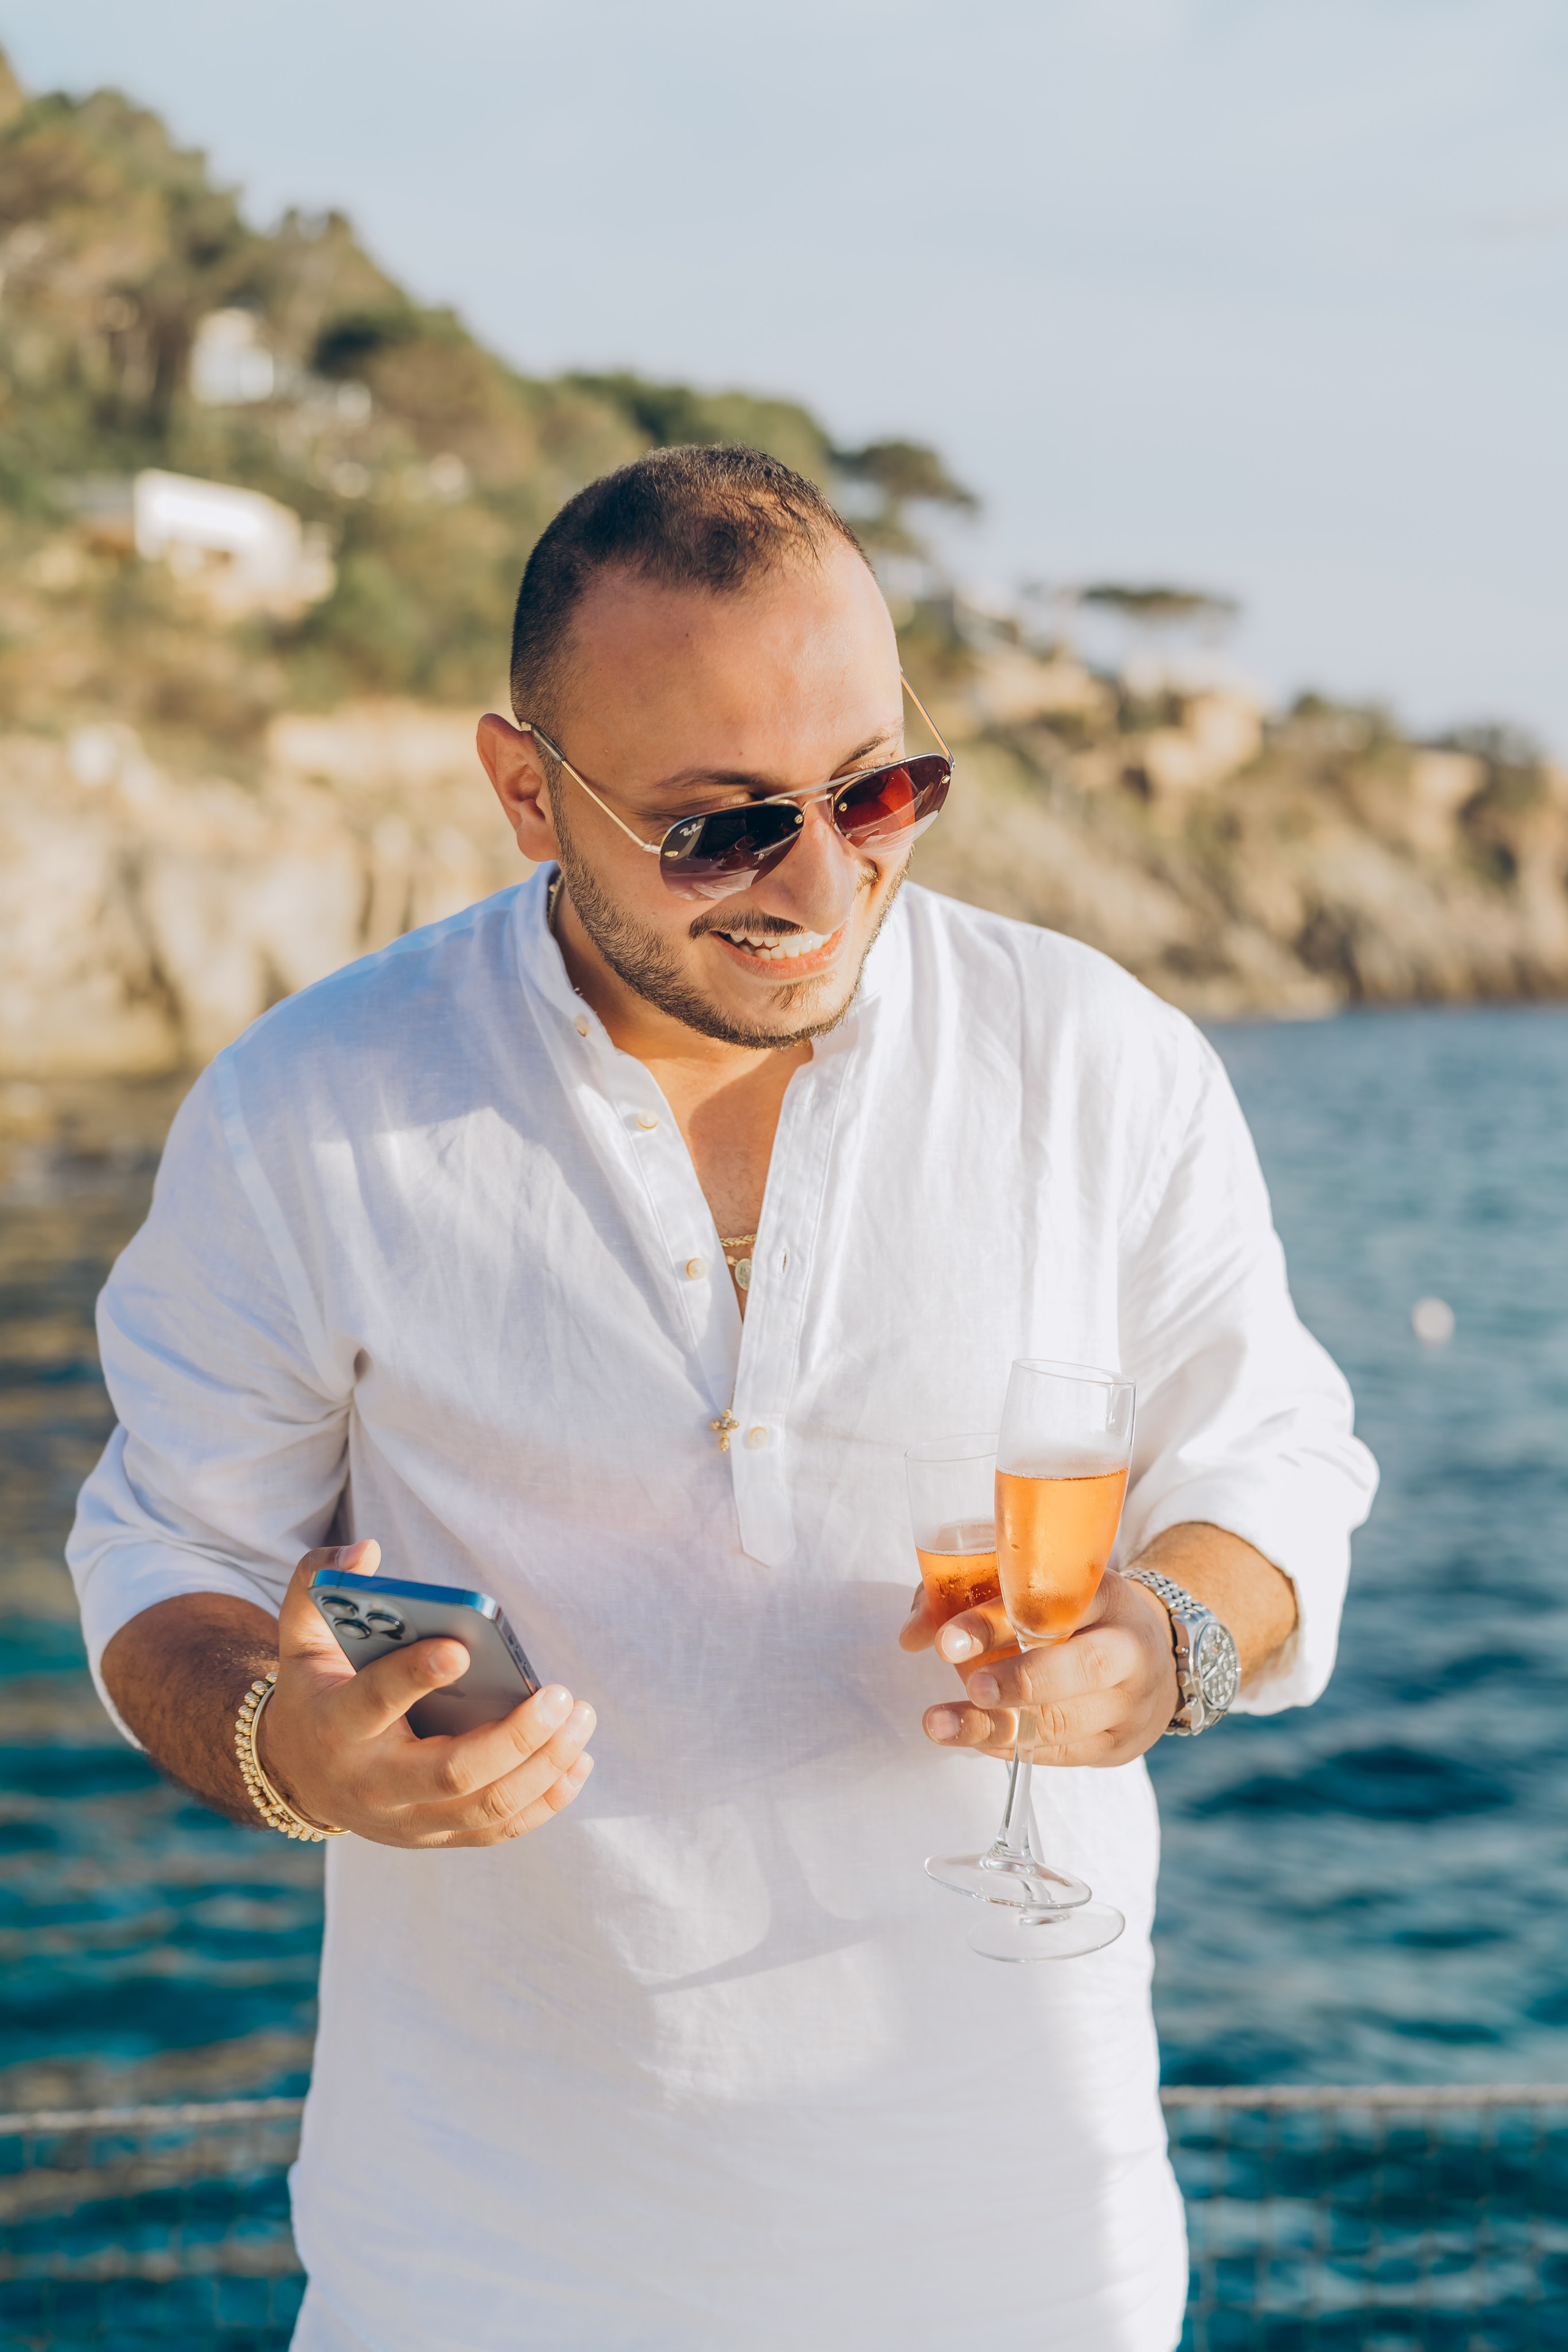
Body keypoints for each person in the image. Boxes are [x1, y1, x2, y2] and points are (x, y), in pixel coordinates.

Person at [68, 445, 1376, 2352]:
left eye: (881, 790)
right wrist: (293, 1751)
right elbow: (162, 1559)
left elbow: (1277, 1461)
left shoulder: (1101, 1063)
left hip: (1025, 2258)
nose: (827, 879)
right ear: (529, 791)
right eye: (723, 828)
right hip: (477, 2275)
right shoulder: (312, 1108)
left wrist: (1168, 1638)